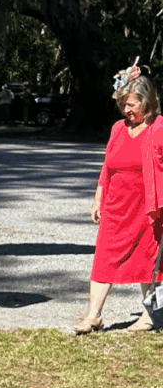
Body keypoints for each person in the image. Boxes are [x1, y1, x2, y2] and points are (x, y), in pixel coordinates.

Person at [74, 71, 162, 332]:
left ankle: (149, 315)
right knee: (104, 258)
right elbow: (107, 167)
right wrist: (97, 200)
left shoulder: (159, 128)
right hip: (116, 206)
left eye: (131, 104)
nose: (126, 110)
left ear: (147, 101)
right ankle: (93, 316)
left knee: (149, 260)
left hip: (148, 208)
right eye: (123, 104)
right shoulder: (117, 128)